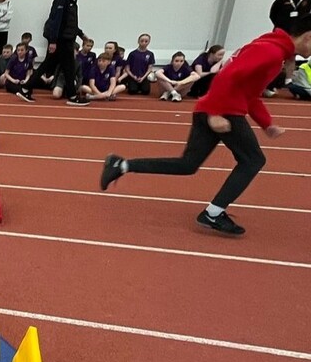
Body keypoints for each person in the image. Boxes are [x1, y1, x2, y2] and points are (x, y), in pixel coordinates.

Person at [100, 15, 311, 235]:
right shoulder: (271, 51)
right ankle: (213, 213)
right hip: (224, 111)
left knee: (188, 165)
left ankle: (121, 165)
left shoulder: (272, 50)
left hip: (213, 109)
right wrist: (215, 113)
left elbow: (249, 93)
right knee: (253, 160)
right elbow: (226, 77)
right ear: (307, 36)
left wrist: (267, 124)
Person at [15, 0, 88, 105]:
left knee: (50, 65)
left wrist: (81, 34)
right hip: (61, 40)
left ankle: (26, 88)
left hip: (66, 39)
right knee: (68, 67)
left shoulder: (71, 0)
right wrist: (53, 41)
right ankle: (72, 96)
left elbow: (70, 22)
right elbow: (56, 21)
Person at [268, 0, 309, 96]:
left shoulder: (308, 0)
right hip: (282, 32)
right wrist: (281, 26)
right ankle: (271, 81)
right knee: (277, 55)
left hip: (297, 33)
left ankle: (288, 80)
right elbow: (272, 14)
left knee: (292, 56)